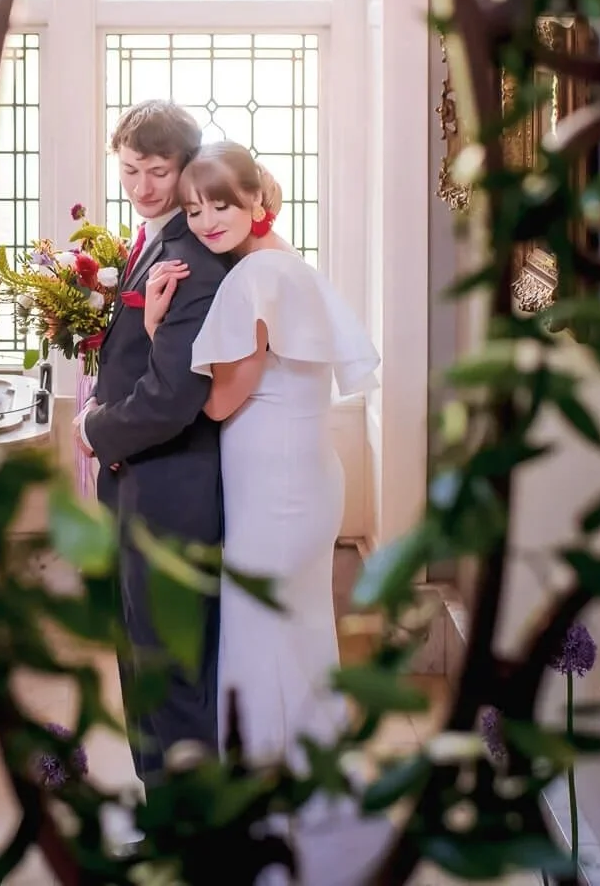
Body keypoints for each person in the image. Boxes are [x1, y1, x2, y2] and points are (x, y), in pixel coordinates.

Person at [142, 141, 380, 768]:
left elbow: (218, 404)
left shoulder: (254, 277)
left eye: (221, 204)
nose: (206, 222)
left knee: (262, 642)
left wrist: (155, 333)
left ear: (256, 198)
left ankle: (272, 806)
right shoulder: (286, 262)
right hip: (301, 484)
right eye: (193, 211)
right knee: (296, 642)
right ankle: (305, 788)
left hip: (275, 499)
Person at [76, 100, 233, 786]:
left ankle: (189, 829)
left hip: (172, 487)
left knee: (169, 666)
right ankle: (162, 810)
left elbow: (174, 396)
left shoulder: (193, 257)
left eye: (159, 171)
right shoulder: (151, 243)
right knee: (140, 656)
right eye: (131, 169)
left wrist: (93, 427)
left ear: (186, 168)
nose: (142, 186)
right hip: (141, 479)